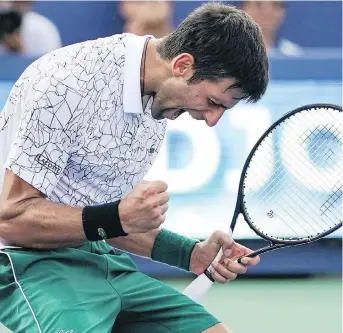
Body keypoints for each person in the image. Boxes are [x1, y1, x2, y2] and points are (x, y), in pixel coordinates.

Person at [0, 3, 268, 333]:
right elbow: (9, 220)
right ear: (183, 65)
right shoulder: (68, 83)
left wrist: (191, 254)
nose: (212, 120)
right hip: (24, 262)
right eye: (213, 102)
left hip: (99, 261)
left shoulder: (158, 103)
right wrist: (117, 217)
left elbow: (103, 220)